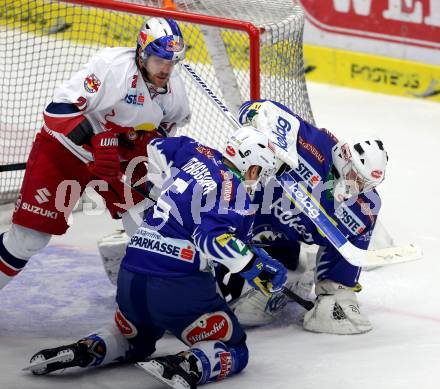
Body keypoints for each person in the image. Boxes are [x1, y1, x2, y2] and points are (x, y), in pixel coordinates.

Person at [24, 127, 288, 388]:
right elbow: (212, 239)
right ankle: (190, 363)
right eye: (261, 175)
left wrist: (162, 185)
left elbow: (157, 147)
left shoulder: (197, 151)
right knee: (235, 347)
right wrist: (254, 266)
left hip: (131, 276)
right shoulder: (237, 192)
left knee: (135, 339)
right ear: (252, 168)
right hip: (176, 286)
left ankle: (94, 346)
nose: (259, 182)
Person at [0, 17, 191, 289]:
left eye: (172, 62)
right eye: (159, 61)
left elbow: (163, 133)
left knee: (149, 227)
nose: (166, 70)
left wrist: (133, 145)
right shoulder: (112, 68)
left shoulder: (175, 94)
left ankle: (158, 300)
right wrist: (96, 140)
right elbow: (56, 110)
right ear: (142, 53)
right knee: (28, 239)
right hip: (64, 151)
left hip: (120, 161)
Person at [215, 99, 389, 335]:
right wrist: (260, 121)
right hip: (251, 219)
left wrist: (335, 289)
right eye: (357, 177)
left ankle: (301, 279)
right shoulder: (311, 143)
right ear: (344, 158)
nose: (359, 187)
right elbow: (254, 107)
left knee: (248, 311)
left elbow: (348, 254)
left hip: (285, 233)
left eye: (367, 183)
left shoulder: (364, 208)